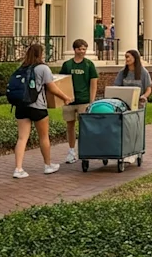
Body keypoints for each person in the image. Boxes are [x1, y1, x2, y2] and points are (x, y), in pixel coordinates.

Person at [12, 43, 72, 179]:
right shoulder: (43, 68)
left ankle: (18, 168)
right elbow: (52, 88)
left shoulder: (21, 68)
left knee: (22, 138)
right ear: (40, 54)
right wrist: (65, 97)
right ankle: (48, 165)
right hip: (37, 107)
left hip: (21, 106)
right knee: (44, 137)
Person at [60, 39, 98, 164]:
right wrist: (64, 98)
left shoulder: (89, 65)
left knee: (85, 127)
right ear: (74, 50)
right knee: (70, 126)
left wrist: (91, 101)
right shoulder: (67, 65)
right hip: (69, 101)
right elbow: (62, 81)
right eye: (80, 49)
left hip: (84, 100)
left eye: (84, 49)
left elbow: (93, 83)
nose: (82, 51)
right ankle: (71, 151)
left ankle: (85, 150)